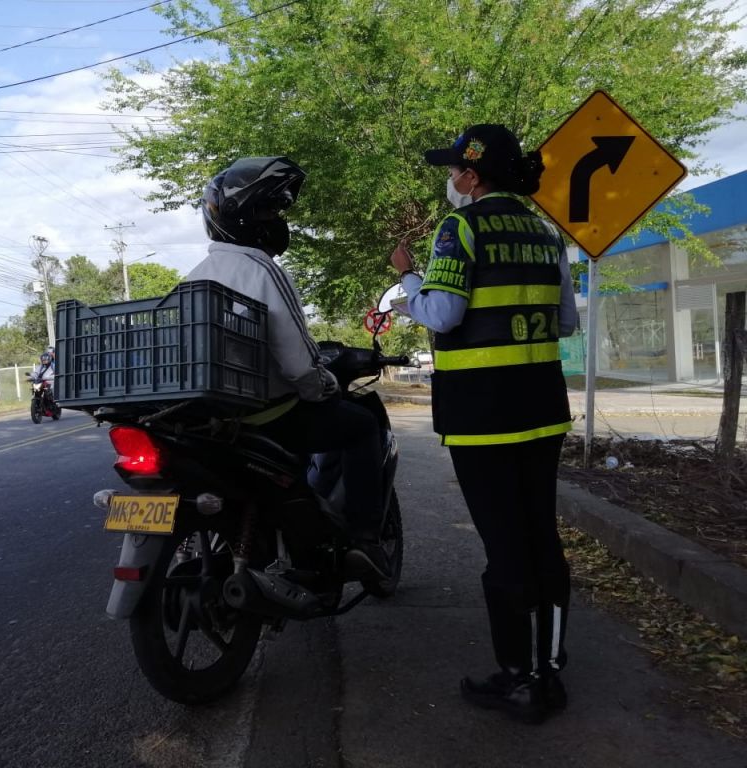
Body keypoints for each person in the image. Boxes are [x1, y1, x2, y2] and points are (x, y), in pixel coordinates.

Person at [389, 124, 577, 723]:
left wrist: (408, 281)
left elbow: (443, 315)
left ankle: (518, 680)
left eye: (454, 171)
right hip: (541, 406)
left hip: (482, 415)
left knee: (504, 547)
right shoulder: (547, 234)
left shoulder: (461, 228)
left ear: (472, 176)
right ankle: (549, 670)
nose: (450, 180)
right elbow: (566, 321)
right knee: (541, 536)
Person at [186, 156, 391, 580]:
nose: (278, 220)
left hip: (217, 418)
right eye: (270, 211)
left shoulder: (194, 277)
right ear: (246, 219)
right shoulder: (262, 270)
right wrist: (326, 385)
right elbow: (299, 362)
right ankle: (365, 539)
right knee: (362, 425)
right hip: (267, 415)